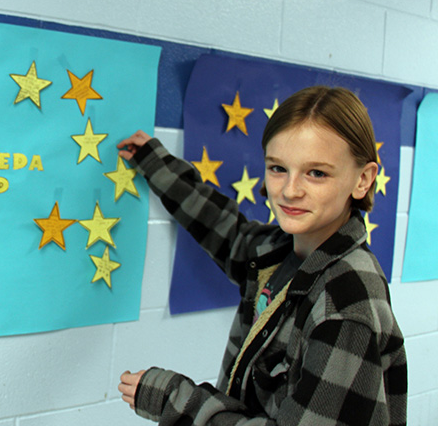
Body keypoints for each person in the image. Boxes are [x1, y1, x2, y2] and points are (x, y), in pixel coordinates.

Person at [116, 86, 407, 425]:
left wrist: (175, 400)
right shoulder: (285, 251)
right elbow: (224, 229)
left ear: (363, 179)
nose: (289, 190)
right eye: (278, 168)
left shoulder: (345, 303)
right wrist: (155, 163)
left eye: (317, 173)